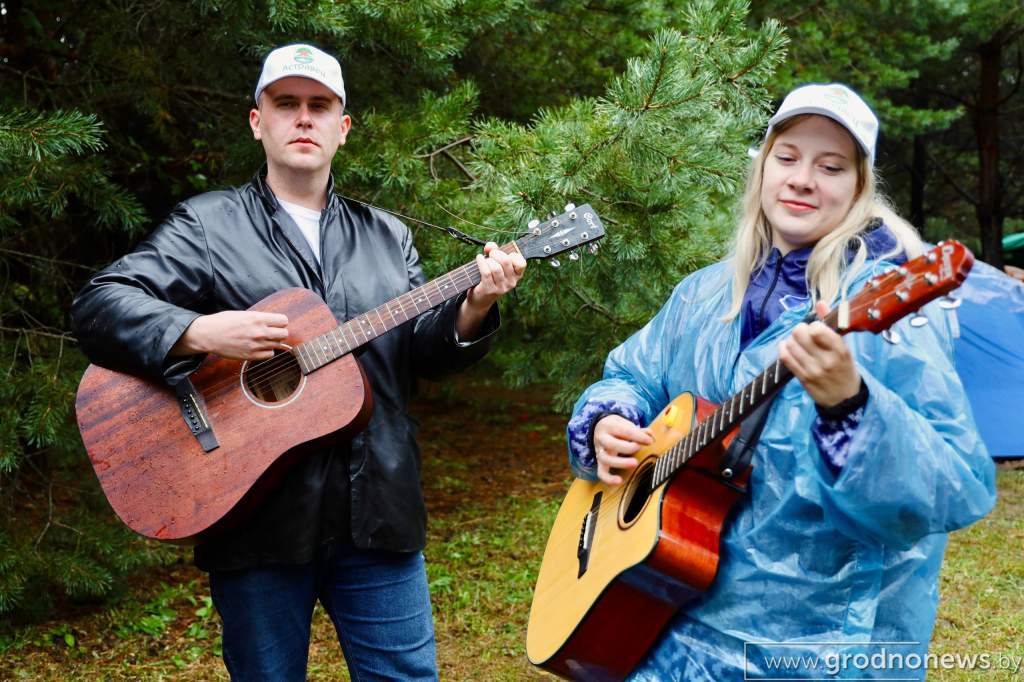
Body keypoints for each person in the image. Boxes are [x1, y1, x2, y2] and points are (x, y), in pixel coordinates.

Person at [72, 43, 527, 680]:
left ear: (342, 128)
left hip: (379, 516)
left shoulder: (387, 236)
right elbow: (99, 305)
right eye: (286, 104)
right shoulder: (207, 225)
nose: (303, 118)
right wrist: (199, 330)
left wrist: (476, 305)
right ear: (258, 121)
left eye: (319, 106)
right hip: (254, 521)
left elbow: (422, 352)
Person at [565, 83, 995, 680]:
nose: (801, 179)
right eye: (787, 157)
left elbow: (954, 487)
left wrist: (852, 407)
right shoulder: (703, 293)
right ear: (762, 168)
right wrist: (610, 420)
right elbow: (633, 374)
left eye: (831, 166)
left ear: (859, 188)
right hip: (665, 615)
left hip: (816, 651)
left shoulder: (890, 316)